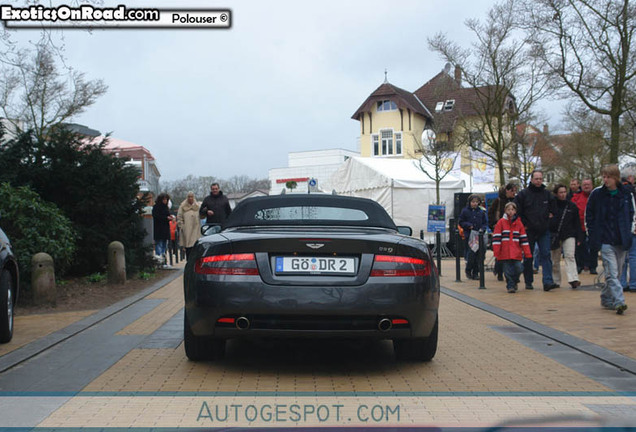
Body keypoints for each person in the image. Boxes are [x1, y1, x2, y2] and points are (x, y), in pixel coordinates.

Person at [585, 164, 634, 314]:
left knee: (616, 274)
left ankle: (606, 297)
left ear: (615, 178)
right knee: (612, 273)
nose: (605, 180)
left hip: (621, 239)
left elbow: (632, 214)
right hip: (605, 239)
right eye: (604, 177)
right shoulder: (597, 194)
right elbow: (589, 215)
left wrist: (630, 231)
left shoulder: (626, 194)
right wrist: (592, 234)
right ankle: (619, 301)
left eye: (608, 177)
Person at [515, 170, 558, 291]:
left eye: (540, 178)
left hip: (544, 230)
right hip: (529, 231)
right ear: (532, 179)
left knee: (546, 254)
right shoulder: (523, 195)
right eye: (536, 179)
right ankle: (528, 281)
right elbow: (517, 211)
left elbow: (554, 210)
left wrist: (549, 220)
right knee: (528, 257)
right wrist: (524, 225)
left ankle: (548, 281)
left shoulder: (547, 195)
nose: (539, 181)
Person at [492, 202, 532, 293]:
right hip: (505, 252)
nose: (510, 211)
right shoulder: (501, 222)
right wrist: (496, 251)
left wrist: (527, 252)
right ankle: (510, 285)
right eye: (508, 209)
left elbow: (523, 239)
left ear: (515, 211)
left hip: (516, 251)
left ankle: (514, 280)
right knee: (507, 270)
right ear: (505, 211)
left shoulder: (519, 223)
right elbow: (497, 238)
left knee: (519, 268)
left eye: (512, 209)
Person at [550, 184, 583, 289]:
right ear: (556, 194)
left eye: (564, 192)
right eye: (561, 192)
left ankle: (573, 279)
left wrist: (579, 236)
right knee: (555, 259)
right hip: (555, 234)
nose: (563, 194)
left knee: (570, 256)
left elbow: (577, 222)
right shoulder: (552, 206)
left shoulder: (571, 206)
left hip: (569, 234)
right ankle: (555, 280)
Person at [488, 183, 518, 281]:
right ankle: (500, 271)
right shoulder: (499, 201)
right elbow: (491, 213)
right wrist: (493, 226)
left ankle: (510, 273)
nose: (514, 193)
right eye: (512, 191)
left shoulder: (516, 201)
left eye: (515, 191)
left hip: (513, 229)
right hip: (500, 229)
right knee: (501, 252)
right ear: (507, 191)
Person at [458, 194, 488, 280]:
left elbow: (485, 223)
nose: (475, 204)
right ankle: (468, 269)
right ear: (470, 202)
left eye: (476, 202)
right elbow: (461, 222)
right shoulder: (465, 211)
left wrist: (482, 228)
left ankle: (476, 272)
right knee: (471, 255)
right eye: (473, 202)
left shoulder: (481, 212)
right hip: (469, 235)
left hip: (479, 236)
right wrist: (468, 225)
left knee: (478, 255)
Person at [572, 178, 597, 274]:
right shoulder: (576, 197)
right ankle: (580, 265)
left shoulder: (596, 196)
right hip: (580, 226)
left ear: (592, 185)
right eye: (584, 185)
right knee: (580, 247)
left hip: (593, 227)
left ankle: (593, 266)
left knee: (593, 247)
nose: (586, 186)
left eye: (588, 184)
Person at [178, 191, 203, 260]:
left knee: (196, 246)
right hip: (187, 230)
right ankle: (188, 261)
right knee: (188, 247)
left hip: (196, 229)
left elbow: (202, 215)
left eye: (191, 197)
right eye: (189, 197)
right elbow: (179, 217)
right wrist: (182, 226)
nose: (190, 198)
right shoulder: (183, 206)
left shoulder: (197, 206)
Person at [152, 192, 174, 263]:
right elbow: (157, 216)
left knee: (164, 245)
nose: (165, 201)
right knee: (159, 244)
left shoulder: (166, 207)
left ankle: (163, 259)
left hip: (165, 229)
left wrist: (170, 217)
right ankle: (159, 260)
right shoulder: (156, 207)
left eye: (166, 199)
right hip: (159, 229)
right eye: (164, 199)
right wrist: (166, 218)